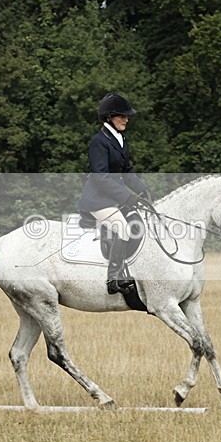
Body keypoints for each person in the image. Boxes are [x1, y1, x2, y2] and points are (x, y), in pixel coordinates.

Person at [78, 92, 152, 295]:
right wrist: (128, 197)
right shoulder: (99, 141)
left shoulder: (120, 139)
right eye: (122, 116)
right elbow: (100, 177)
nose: (126, 119)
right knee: (123, 229)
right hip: (98, 201)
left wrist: (143, 190)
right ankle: (113, 278)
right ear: (109, 117)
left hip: (113, 199)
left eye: (127, 116)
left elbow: (126, 172)